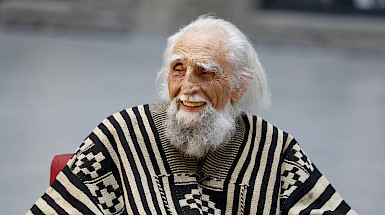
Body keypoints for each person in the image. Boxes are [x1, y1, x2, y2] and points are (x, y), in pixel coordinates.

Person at [27, 15, 356, 215]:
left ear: (238, 86)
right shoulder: (121, 134)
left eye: (205, 73)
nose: (187, 87)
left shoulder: (275, 150)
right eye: (178, 70)